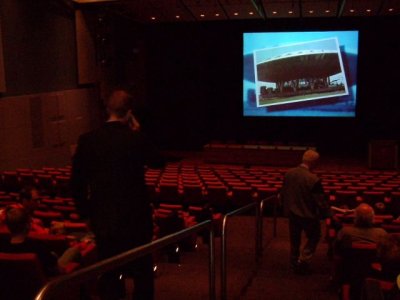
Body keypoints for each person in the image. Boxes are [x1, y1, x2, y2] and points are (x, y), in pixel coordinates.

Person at [70, 88, 165, 300]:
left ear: (106, 109)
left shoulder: (87, 140)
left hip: (103, 219)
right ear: (129, 112)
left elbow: (76, 183)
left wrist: (86, 214)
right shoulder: (135, 139)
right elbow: (158, 162)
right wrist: (138, 131)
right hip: (136, 218)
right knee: (142, 273)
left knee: (109, 273)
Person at [281, 149, 329, 274]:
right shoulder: (313, 179)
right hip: (308, 215)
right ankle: (303, 260)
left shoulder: (288, 173)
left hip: (292, 213)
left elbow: (284, 193)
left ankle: (293, 262)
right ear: (314, 162)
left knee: (294, 240)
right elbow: (320, 201)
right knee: (315, 236)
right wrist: (327, 214)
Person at [0, 206, 81, 276]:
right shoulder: (37, 246)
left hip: (19, 288)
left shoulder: (3, 247)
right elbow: (58, 270)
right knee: (73, 250)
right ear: (27, 225)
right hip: (48, 286)